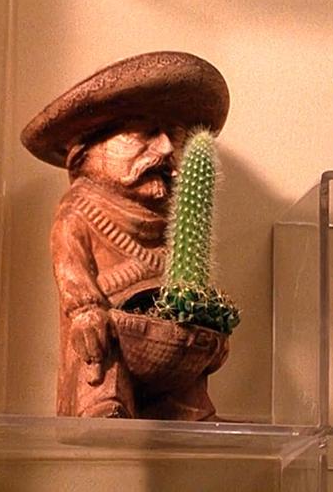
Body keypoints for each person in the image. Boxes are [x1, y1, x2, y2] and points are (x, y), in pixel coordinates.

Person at [21, 51, 230, 419]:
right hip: (111, 332)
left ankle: (189, 411)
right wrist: (85, 309)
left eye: (173, 135)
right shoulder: (78, 211)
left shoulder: (175, 217)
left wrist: (206, 317)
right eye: (146, 133)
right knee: (100, 344)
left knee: (188, 340)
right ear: (88, 149)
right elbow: (71, 271)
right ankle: (103, 405)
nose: (166, 149)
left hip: (164, 338)